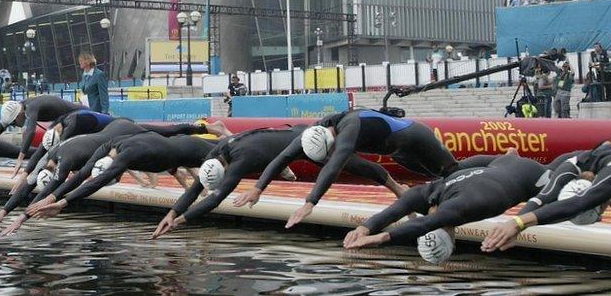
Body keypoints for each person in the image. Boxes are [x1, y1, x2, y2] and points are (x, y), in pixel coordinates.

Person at [232, 109, 495, 228]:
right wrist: (257, 188)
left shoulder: (350, 127)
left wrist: (310, 202)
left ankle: (502, 160)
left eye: (330, 151)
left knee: (452, 171)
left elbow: (334, 167)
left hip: (416, 137)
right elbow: (280, 158)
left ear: (331, 139)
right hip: (398, 151)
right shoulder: (312, 136)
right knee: (438, 176)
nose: (330, 155)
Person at [151, 127, 406, 239]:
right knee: (273, 161)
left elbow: (214, 199)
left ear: (224, 173)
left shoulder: (239, 163)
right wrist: (172, 213)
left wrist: (179, 222)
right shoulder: (214, 154)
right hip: (276, 141)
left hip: (298, 142)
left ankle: (397, 187)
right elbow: (196, 189)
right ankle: (283, 169)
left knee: (351, 164)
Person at [344, 151, 545, 263]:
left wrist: (378, 237)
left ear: (454, 240)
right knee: (453, 173)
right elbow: (396, 211)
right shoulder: (429, 195)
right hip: (496, 166)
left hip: (532, 176)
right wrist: (364, 228)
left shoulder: (457, 210)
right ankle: (510, 155)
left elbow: (424, 223)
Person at [26, 132, 218, 220]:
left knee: (232, 156)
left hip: (193, 152)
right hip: (177, 146)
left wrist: (61, 203)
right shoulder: (112, 144)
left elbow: (97, 181)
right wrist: (53, 199)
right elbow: (83, 175)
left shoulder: (125, 156)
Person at [482, 141, 611, 252]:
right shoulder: (573, 166)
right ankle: (510, 158)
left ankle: (511, 158)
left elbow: (578, 204)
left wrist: (517, 223)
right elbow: (543, 198)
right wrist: (516, 226)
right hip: (574, 161)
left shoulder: (601, 183)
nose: (600, 217)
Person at [0, 94, 85, 179]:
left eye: (13, 123)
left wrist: (20, 159)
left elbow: (30, 132)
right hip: (67, 120)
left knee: (62, 146)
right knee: (53, 146)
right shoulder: (18, 108)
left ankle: (78, 172)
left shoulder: (30, 108)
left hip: (81, 115)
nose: (14, 126)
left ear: (18, 115)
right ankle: (74, 170)